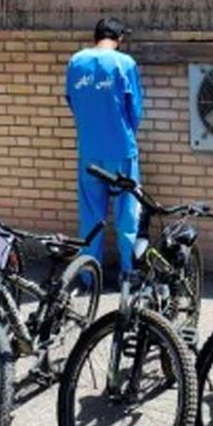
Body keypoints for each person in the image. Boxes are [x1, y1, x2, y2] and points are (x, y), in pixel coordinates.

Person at [65, 17, 144, 277]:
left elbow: (72, 100)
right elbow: (135, 109)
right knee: (127, 216)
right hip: (121, 149)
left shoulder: (76, 62)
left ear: (95, 37)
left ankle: (89, 276)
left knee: (91, 217)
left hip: (89, 150)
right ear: (120, 39)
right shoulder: (125, 63)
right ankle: (128, 274)